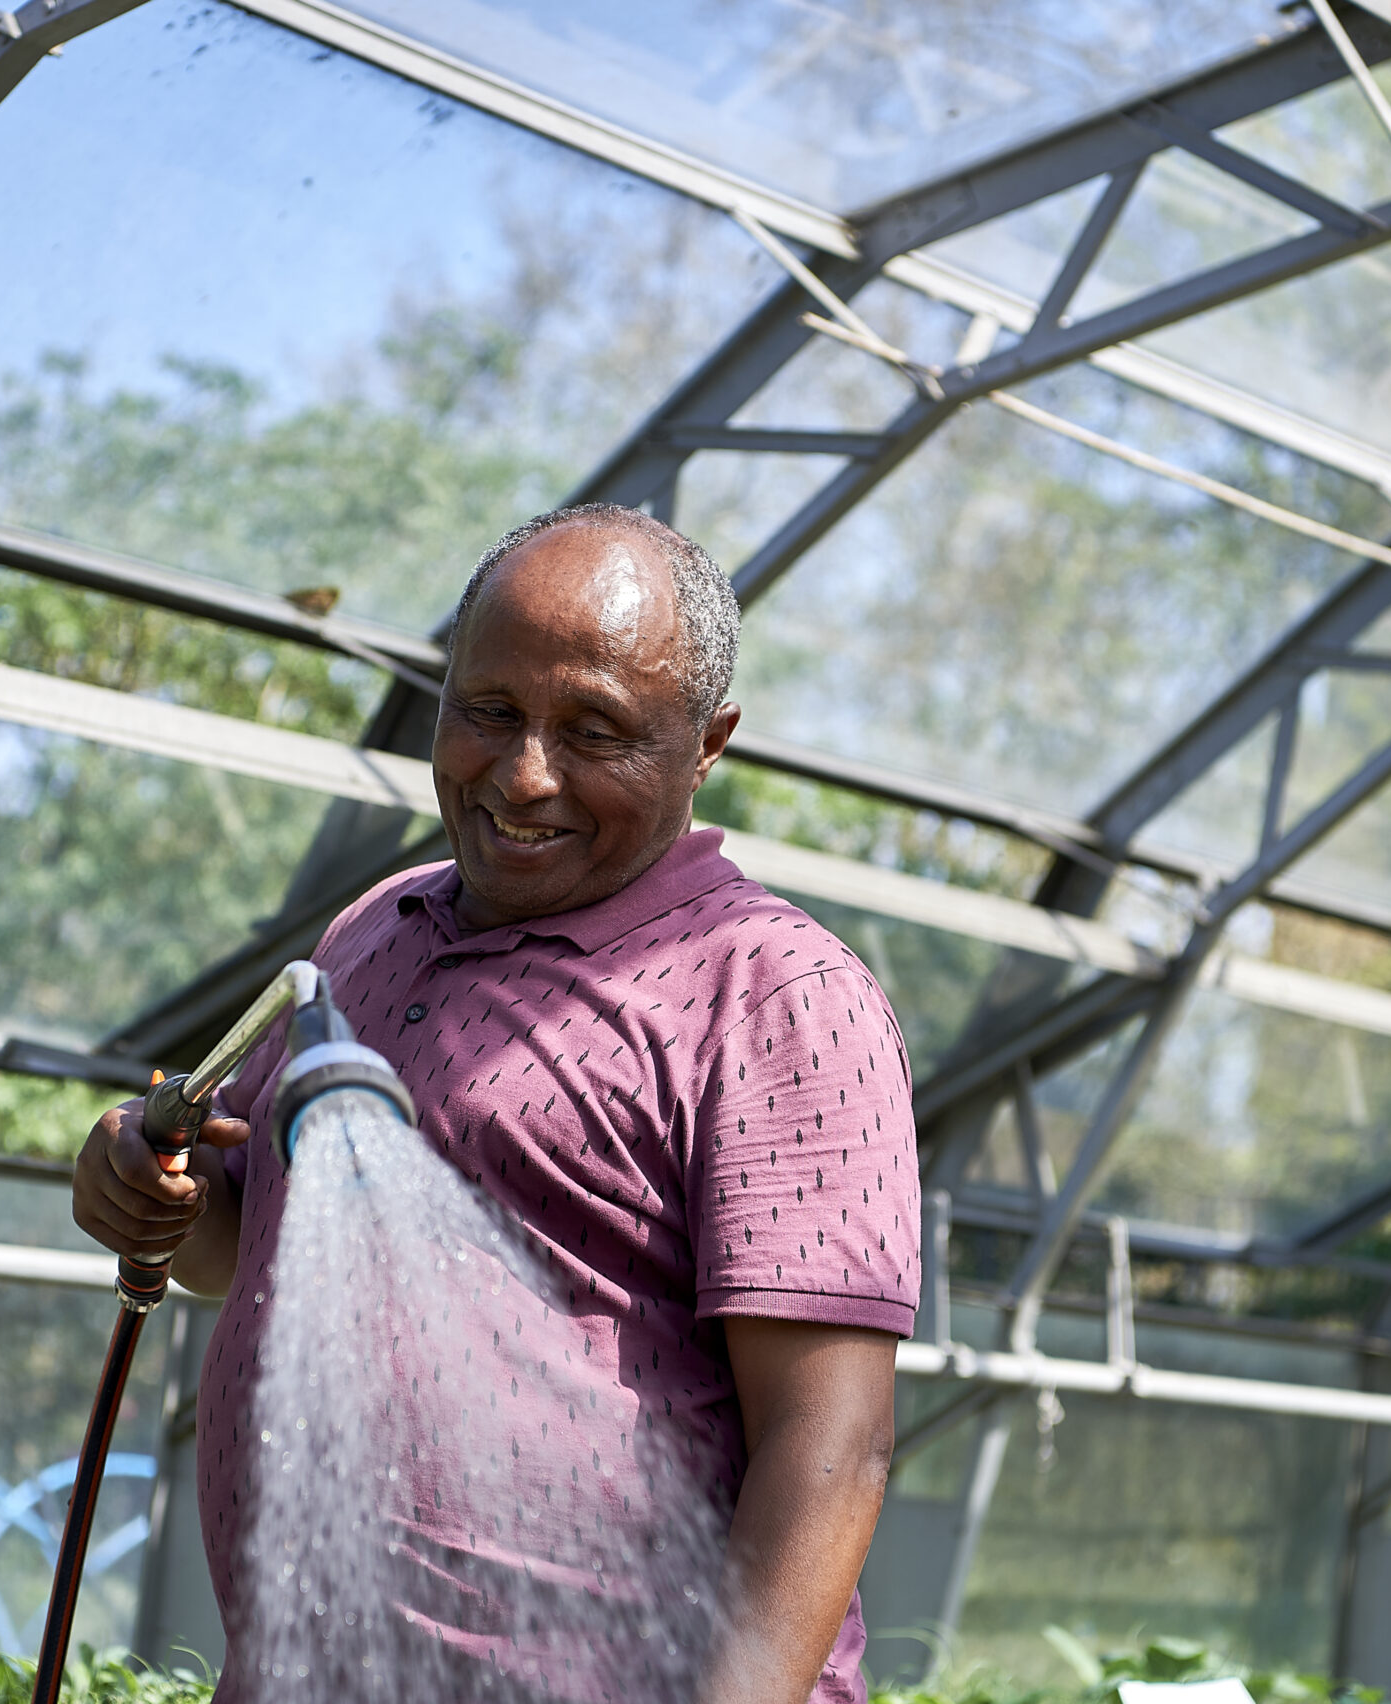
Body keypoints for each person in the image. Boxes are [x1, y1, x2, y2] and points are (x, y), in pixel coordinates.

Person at [73, 503, 922, 1703]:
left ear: (706, 744)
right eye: (488, 711)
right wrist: (149, 1188)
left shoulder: (774, 990)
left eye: (594, 732)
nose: (523, 774)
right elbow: (238, 1243)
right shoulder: (375, 927)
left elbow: (828, 1448)